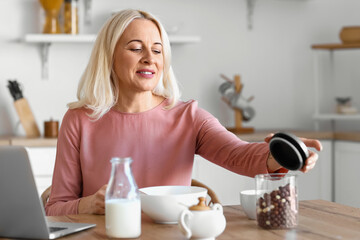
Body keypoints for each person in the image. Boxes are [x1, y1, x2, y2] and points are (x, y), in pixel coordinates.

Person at [45, 9, 322, 216]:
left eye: (157, 50)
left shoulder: (188, 117)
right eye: (135, 48)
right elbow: (56, 208)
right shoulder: (80, 120)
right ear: (109, 56)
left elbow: (240, 155)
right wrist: (89, 204)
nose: (149, 58)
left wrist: (283, 152)